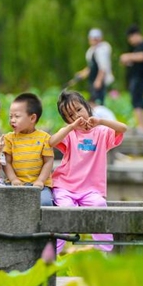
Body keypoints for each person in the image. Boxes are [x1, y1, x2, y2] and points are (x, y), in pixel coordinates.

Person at [50, 90, 127, 252]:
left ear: (87, 107)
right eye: (70, 115)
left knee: (99, 206)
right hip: (65, 187)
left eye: (79, 110)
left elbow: (123, 128)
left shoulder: (102, 132)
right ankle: (54, 255)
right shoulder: (70, 134)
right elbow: (52, 141)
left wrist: (100, 121)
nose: (77, 116)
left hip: (91, 190)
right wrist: (71, 127)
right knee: (65, 212)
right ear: (66, 120)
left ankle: (105, 252)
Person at [2, 93, 54, 206]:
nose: (12, 120)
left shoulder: (44, 137)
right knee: (4, 202)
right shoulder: (9, 138)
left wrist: (40, 180)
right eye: (10, 117)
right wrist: (13, 179)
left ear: (32, 118)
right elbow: (7, 162)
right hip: (14, 184)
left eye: (17, 116)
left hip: (39, 185)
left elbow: (48, 162)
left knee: (45, 203)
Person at [119, 24, 143, 133]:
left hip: (139, 77)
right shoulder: (138, 47)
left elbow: (142, 56)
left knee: (137, 100)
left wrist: (127, 56)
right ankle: (140, 125)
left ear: (135, 35)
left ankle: (141, 126)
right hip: (136, 77)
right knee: (136, 100)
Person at [74, 28, 115, 105]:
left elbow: (103, 67)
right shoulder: (91, 51)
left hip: (99, 80)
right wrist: (82, 74)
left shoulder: (102, 50)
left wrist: (98, 81)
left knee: (97, 102)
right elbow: (91, 67)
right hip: (92, 80)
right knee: (92, 100)